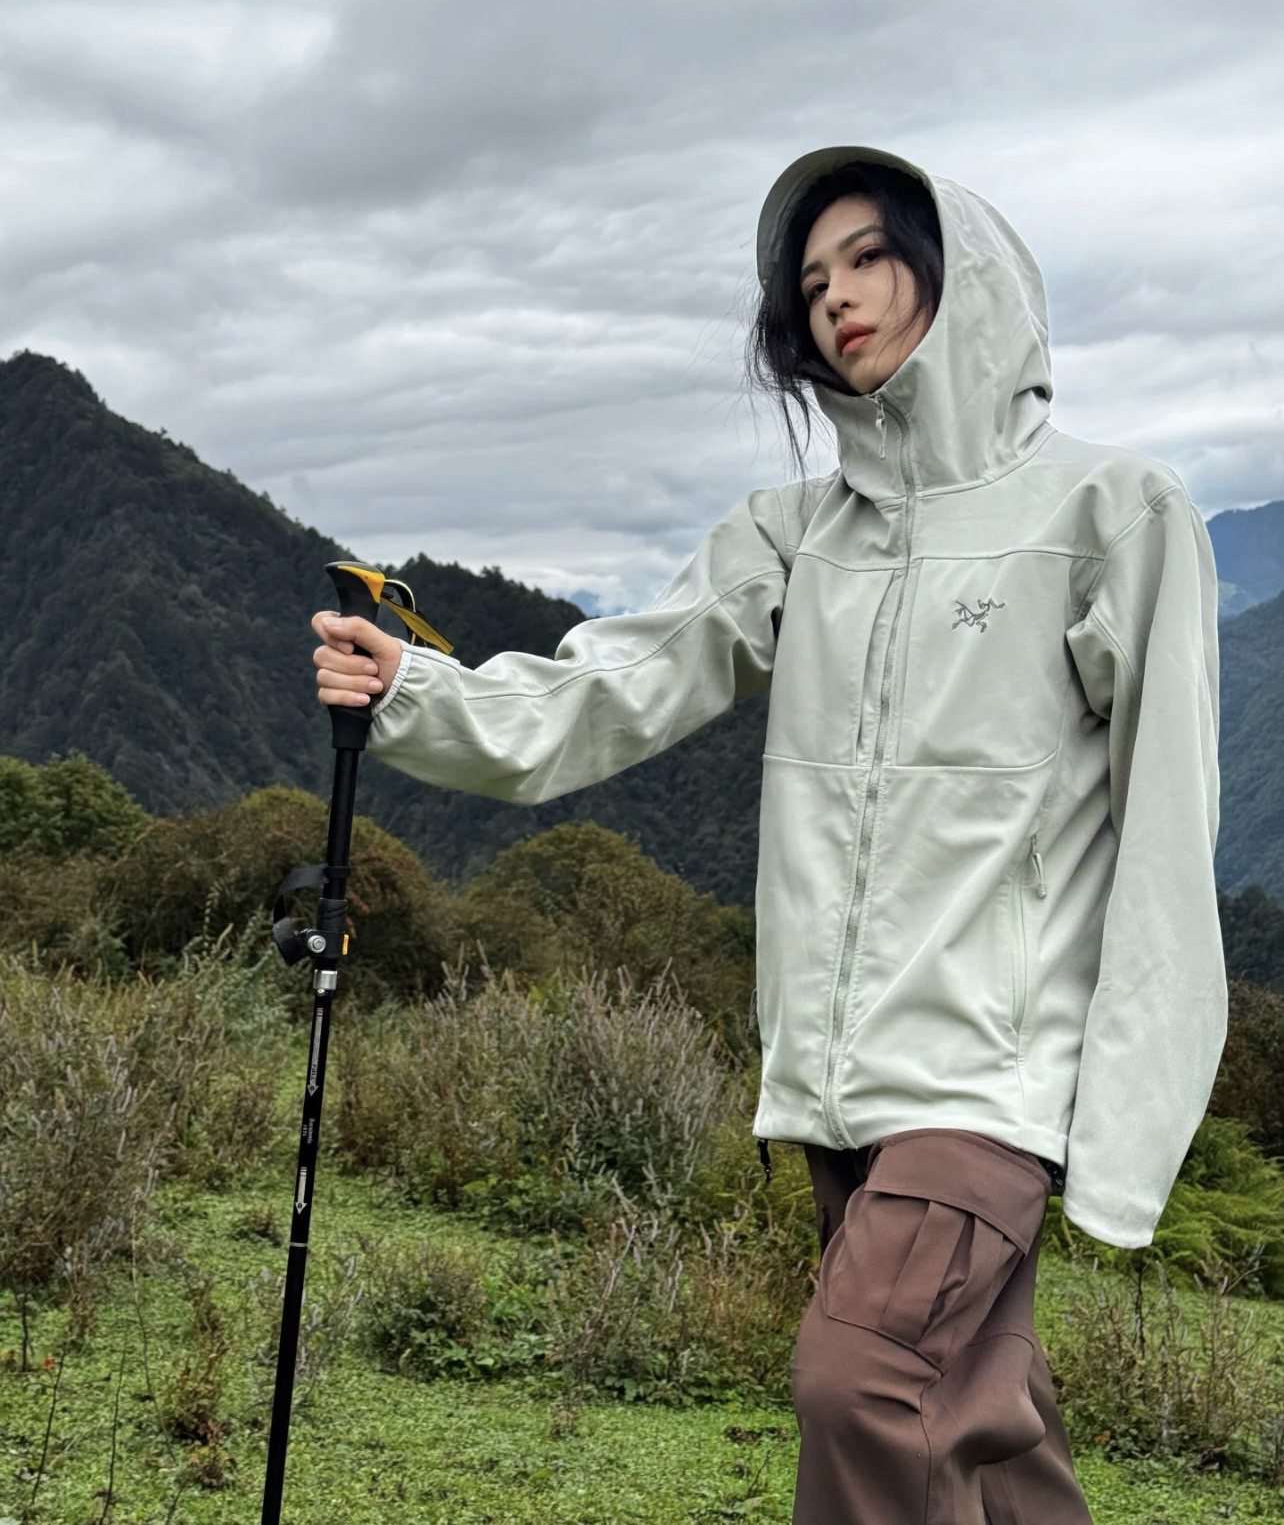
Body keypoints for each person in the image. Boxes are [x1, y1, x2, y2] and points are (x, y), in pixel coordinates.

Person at [310, 144, 1225, 1523]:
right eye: (809, 283)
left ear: (959, 271)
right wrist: (418, 692)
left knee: (865, 1386)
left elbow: (1168, 825)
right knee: (976, 1422)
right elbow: (617, 684)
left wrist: (1131, 1118)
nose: (836, 298)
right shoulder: (796, 535)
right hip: (839, 1089)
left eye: (870, 257)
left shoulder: (1109, 513)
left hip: (992, 1082)